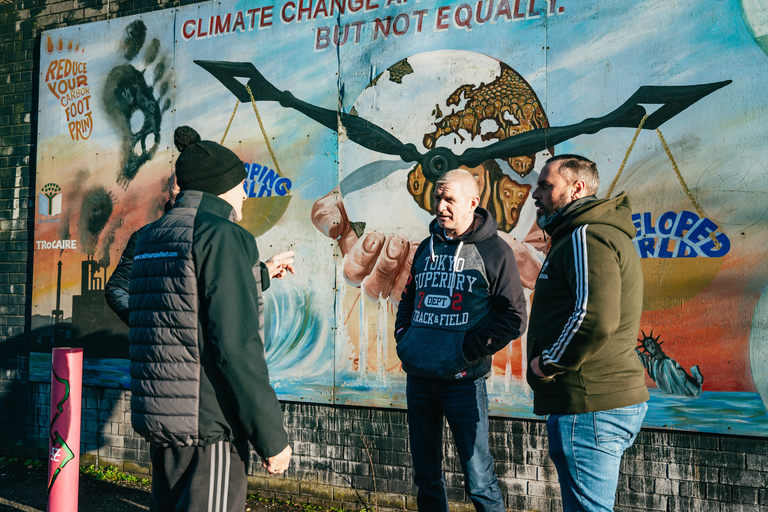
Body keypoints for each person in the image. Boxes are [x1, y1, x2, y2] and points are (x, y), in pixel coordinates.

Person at [128, 138, 294, 512]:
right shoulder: (223, 236)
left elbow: (181, 310)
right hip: (209, 428)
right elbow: (235, 346)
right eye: (241, 184)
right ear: (222, 187)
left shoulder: (152, 237)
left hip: (163, 421)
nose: (246, 195)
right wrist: (271, 437)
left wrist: (260, 273)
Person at [394, 169, 528, 512]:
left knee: (479, 480)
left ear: (473, 202)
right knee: (426, 478)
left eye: (449, 199)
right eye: (437, 198)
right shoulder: (426, 247)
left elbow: (513, 317)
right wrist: (403, 338)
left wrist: (467, 350)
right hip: (419, 380)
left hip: (463, 384)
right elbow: (410, 298)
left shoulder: (496, 252)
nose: (440, 206)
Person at [526, 154, 649, 512]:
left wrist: (546, 365)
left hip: (590, 404)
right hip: (598, 403)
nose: (536, 194)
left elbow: (593, 318)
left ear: (576, 189)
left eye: (546, 186)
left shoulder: (585, 235)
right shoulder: (588, 233)